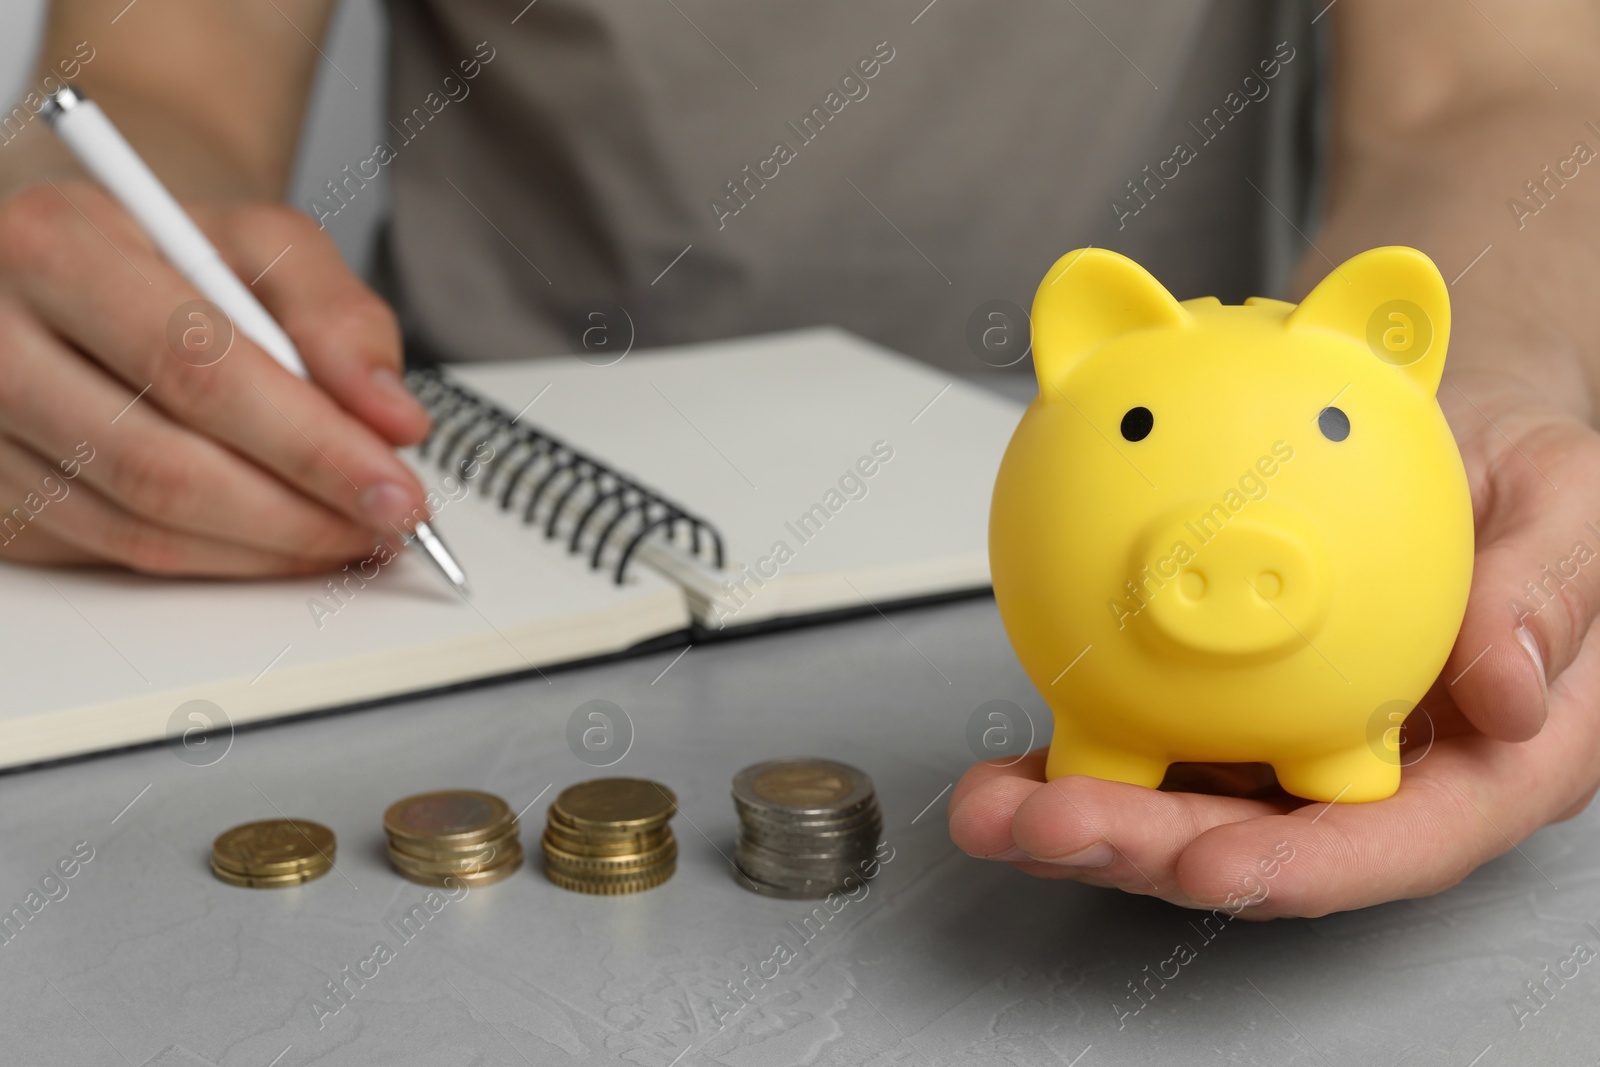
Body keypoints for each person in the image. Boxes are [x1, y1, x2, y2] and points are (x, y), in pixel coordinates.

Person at [0, 0, 1595, 919]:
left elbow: (1500, 76)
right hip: (479, 465)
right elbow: (149, 84)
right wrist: (93, 291)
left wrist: (1490, 383)